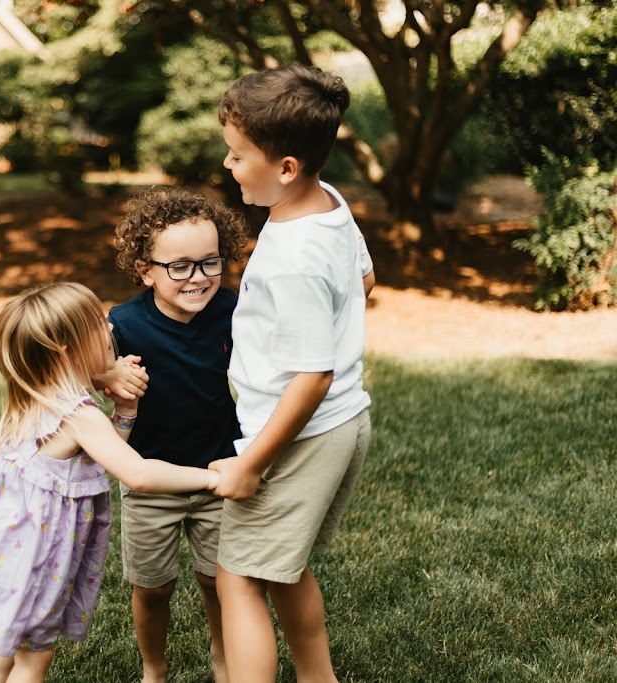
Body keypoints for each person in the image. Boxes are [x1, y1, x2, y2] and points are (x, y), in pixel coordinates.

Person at [0, 281, 223, 683]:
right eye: (99, 325)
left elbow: (102, 453)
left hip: (8, 540)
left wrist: (124, 406)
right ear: (67, 349)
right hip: (37, 551)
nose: (111, 328)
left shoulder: (35, 392)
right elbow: (137, 473)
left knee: (7, 646)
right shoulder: (80, 415)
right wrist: (213, 477)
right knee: (35, 657)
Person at [210, 65, 376, 683]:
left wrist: (251, 465)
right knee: (281, 567)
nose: (227, 164)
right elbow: (365, 279)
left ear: (285, 168)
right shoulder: (327, 202)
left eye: (237, 155)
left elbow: (312, 377)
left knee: (238, 577)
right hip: (342, 422)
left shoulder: (292, 258)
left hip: (300, 432)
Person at [97, 187, 249, 683]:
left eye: (210, 262)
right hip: (151, 477)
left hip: (220, 468)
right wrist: (108, 375)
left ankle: (224, 659)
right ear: (146, 270)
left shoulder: (230, 310)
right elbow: (74, 370)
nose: (198, 277)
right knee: (153, 586)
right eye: (179, 266)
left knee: (219, 580)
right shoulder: (122, 324)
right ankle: (154, 670)